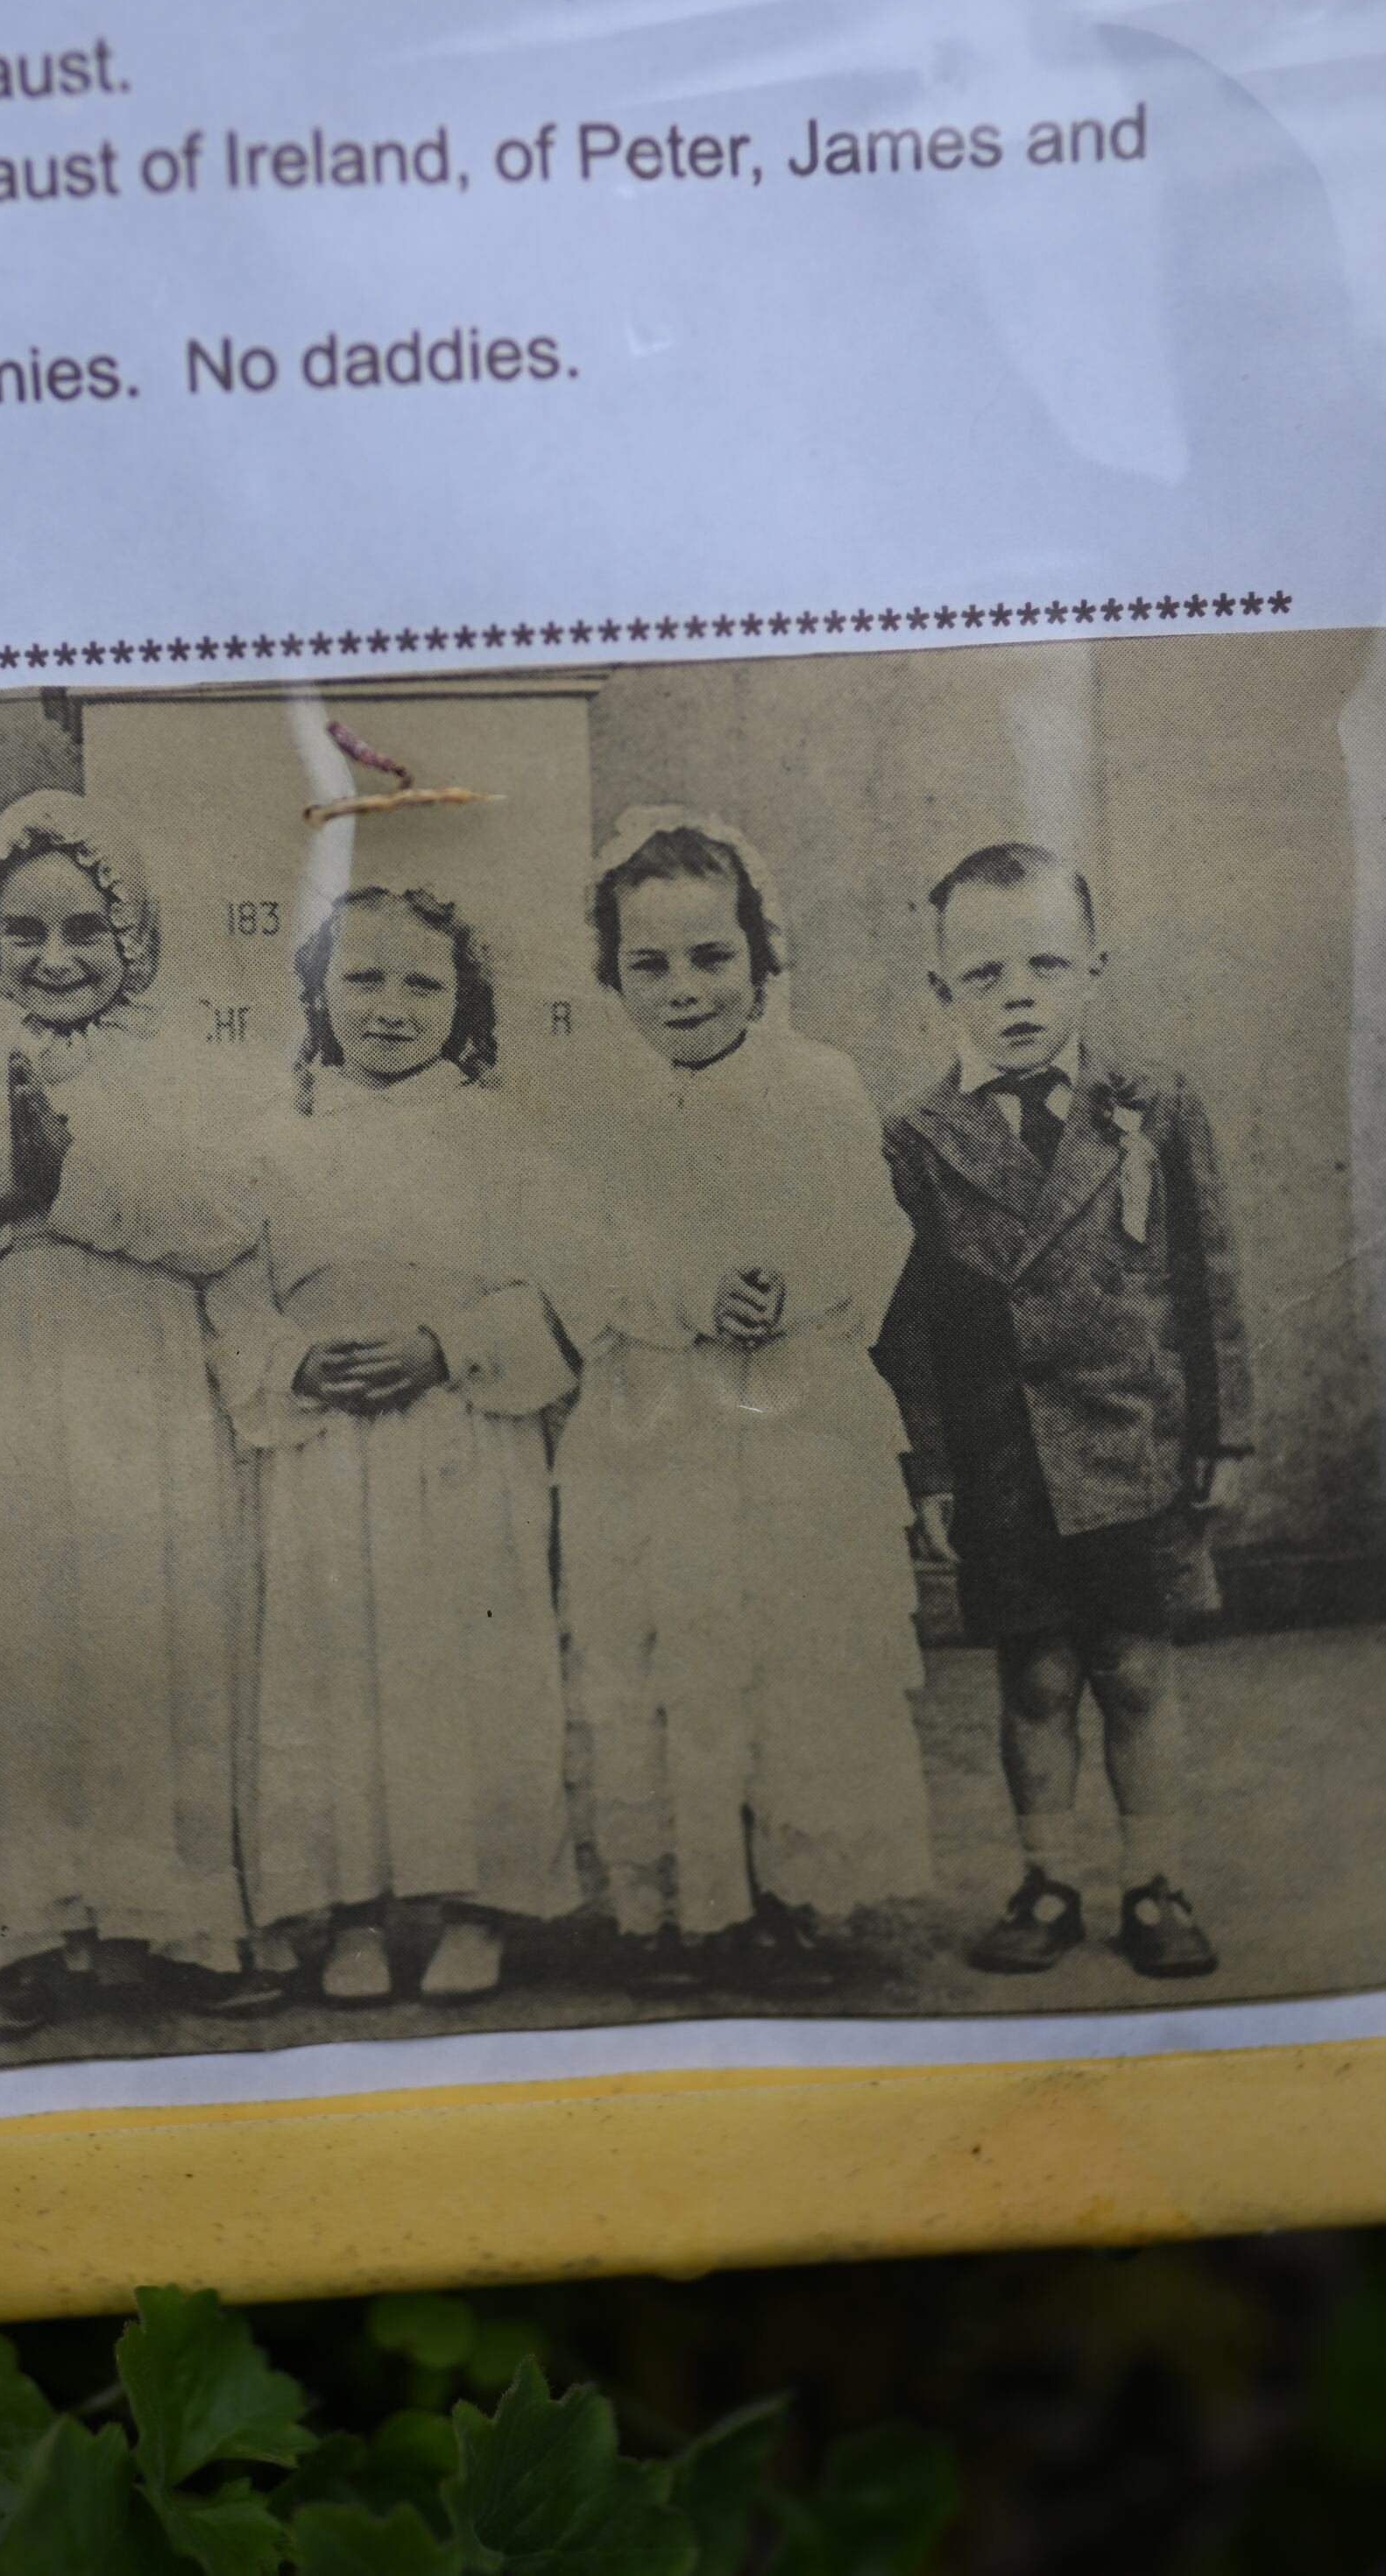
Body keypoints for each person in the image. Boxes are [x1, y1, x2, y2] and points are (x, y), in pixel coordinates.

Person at [0, 790, 275, 2044]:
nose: (55, 958)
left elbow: (223, 1221)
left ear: (131, 936)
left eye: (85, 930)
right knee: (11, 1641)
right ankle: (10, 1936)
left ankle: (172, 1919)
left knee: (155, 1631)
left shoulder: (194, 1078)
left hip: (145, 1382)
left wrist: (73, 1184)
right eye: (26, 933)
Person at [553, 811, 934, 1995]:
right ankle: (682, 1901)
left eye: (711, 959)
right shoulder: (589, 1108)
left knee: (796, 1648)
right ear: (612, 973)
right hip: (651, 1421)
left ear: (762, 959)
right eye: (648, 966)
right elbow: (574, 1258)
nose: (683, 990)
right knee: (667, 1652)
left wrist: (793, 1287)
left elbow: (872, 1230)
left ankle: (794, 1893)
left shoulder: (818, 1086)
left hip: (795, 1417)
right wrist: (685, 1294)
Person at [875, 842, 1251, 1982]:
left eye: (1045, 963)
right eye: (984, 974)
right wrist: (931, 1471)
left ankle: (1154, 1880)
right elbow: (911, 1326)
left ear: (1093, 967)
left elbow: (1210, 1279)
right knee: (1034, 1679)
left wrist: (1225, 1431)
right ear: (942, 993)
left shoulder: (1154, 1106)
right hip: (1008, 1464)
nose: (1018, 994)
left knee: (1137, 1668)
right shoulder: (917, 1139)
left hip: (1134, 1445)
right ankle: (1046, 1877)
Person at [216, 888, 577, 2005]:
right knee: (332, 1677)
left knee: (472, 1665)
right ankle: (353, 1911)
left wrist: (446, 1347)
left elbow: (554, 1293)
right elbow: (233, 1300)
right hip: (327, 1448)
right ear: (318, 993)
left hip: (462, 1437)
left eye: (423, 983)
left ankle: (477, 1904)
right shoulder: (269, 1143)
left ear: (463, 1003)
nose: (389, 1007)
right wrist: (294, 1364)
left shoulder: (504, 1138)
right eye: (363, 979)